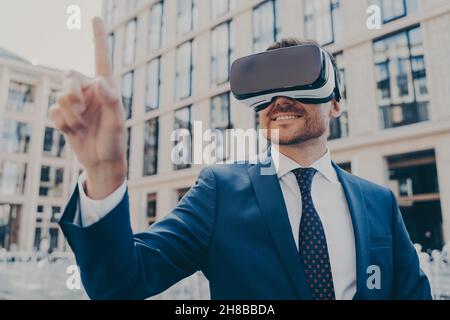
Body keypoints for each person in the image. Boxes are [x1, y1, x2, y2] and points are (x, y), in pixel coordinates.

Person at [51, 17, 431, 300]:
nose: (280, 99)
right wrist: (104, 172)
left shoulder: (379, 202)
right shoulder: (220, 191)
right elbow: (119, 284)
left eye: (299, 80)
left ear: (335, 104)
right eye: (266, 87)